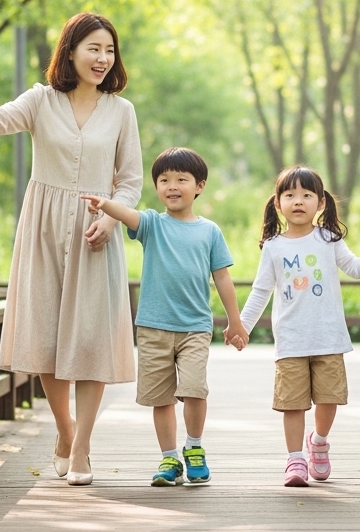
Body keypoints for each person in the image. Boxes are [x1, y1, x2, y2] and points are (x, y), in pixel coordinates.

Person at [0, 12, 142, 487]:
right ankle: (65, 431)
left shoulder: (121, 111)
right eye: (93, 48)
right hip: (43, 229)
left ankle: (82, 447)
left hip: (94, 231)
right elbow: (0, 117)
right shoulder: (41, 100)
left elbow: (129, 181)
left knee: (91, 341)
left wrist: (110, 216)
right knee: (46, 336)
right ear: (70, 51)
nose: (102, 59)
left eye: (109, 50)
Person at [82, 147, 248, 487]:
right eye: (164, 180)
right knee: (161, 398)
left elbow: (223, 278)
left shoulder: (209, 231)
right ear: (156, 187)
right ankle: (169, 458)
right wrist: (104, 204)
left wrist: (235, 320)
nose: (172, 186)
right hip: (154, 327)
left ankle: (195, 448)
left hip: (195, 328)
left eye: (181, 180)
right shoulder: (153, 225)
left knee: (195, 390)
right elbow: (127, 214)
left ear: (199, 186)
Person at [239, 166, 360, 487]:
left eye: (307, 195)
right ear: (278, 203)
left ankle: (318, 441)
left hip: (329, 338)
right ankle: (295, 460)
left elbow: (356, 269)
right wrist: (243, 327)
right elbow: (261, 291)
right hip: (291, 341)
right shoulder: (274, 246)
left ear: (320, 203)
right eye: (290, 194)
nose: (298, 201)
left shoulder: (328, 239)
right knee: (292, 403)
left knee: (328, 398)